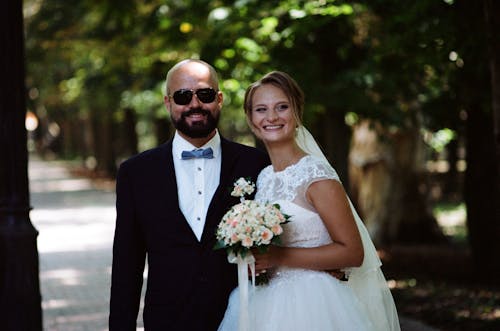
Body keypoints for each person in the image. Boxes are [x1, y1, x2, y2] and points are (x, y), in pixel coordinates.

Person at [218, 71, 401, 331]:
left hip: (314, 305)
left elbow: (352, 252)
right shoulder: (265, 177)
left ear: (297, 113)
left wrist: (278, 257)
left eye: (282, 107)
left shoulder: (316, 175)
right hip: (265, 303)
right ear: (251, 120)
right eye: (261, 109)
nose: (271, 117)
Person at [109, 59, 270, 331]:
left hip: (243, 317)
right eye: (183, 96)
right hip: (167, 320)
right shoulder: (135, 172)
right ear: (167, 102)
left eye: (204, 95)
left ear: (219, 99)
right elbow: (127, 263)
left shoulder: (256, 164)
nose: (194, 104)